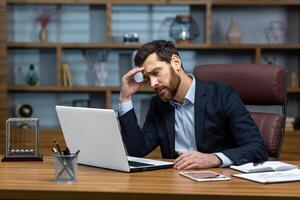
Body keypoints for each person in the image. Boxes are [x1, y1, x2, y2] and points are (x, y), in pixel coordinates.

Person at [118, 40, 268, 170]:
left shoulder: (222, 95)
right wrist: (125, 98)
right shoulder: (158, 104)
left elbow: (257, 148)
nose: (152, 84)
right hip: (175, 183)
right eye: (147, 78)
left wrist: (214, 158)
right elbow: (137, 150)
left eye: (156, 73)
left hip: (219, 182)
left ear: (175, 62)